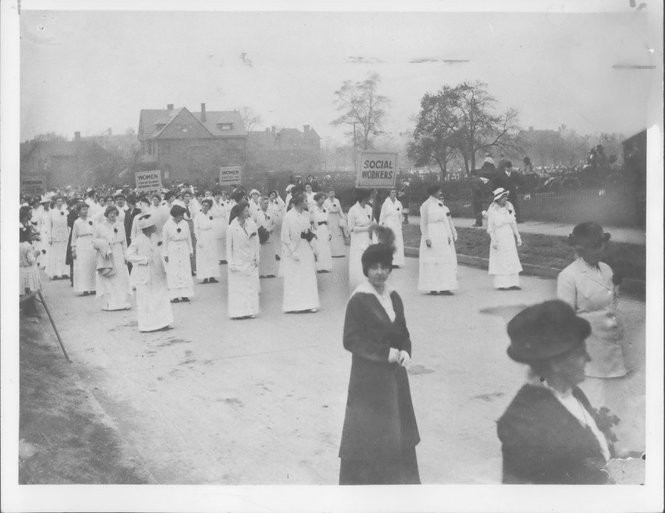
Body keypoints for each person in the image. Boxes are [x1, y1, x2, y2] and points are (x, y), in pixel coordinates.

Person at [497, 300, 615, 484]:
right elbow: (518, 492)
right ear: (556, 363)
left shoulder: (574, 393)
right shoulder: (521, 423)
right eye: (580, 353)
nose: (588, 359)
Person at [339, 244, 420, 485]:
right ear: (366, 270)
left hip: (395, 380)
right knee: (372, 434)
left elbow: (403, 332)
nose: (379, 272)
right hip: (369, 381)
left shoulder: (394, 297)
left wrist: (405, 351)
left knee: (398, 432)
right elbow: (351, 340)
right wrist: (385, 353)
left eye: (384, 267)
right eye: (374, 267)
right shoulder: (359, 299)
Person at [557, 222, 631, 411]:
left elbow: (613, 301)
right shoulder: (569, 276)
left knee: (616, 398)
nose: (600, 250)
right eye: (594, 246)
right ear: (581, 249)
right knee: (593, 399)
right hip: (588, 347)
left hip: (611, 343)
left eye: (601, 245)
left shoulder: (606, 269)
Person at [126, 214, 174, 332]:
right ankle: (148, 325)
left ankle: (163, 322)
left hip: (158, 272)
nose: (155, 227)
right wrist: (143, 260)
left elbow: (160, 251)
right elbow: (128, 255)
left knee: (160, 296)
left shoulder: (154, 238)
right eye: (153, 226)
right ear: (147, 228)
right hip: (145, 273)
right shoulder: (138, 240)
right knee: (147, 299)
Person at [280, 192, 319, 313]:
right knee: (294, 276)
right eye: (306, 201)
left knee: (308, 274)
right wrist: (292, 252)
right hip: (294, 249)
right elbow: (285, 237)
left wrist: (314, 245)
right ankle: (293, 306)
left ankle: (310, 303)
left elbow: (308, 231)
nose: (307, 203)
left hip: (305, 247)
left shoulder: (306, 215)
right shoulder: (288, 216)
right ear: (300, 202)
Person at [418, 184, 458, 294]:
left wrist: (448, 235)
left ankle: (445, 287)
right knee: (432, 261)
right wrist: (426, 237)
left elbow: (445, 220)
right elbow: (423, 223)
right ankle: (433, 287)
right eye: (438, 191)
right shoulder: (425, 205)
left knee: (444, 260)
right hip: (431, 233)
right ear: (433, 192)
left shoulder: (440, 204)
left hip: (442, 234)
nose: (440, 193)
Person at [92, 206, 132, 311]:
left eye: (114, 213)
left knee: (120, 276)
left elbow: (124, 242)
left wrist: (126, 255)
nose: (113, 215)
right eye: (110, 213)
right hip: (106, 254)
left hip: (118, 252)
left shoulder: (120, 225)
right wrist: (103, 245)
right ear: (106, 214)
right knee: (108, 276)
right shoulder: (100, 226)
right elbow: (94, 241)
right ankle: (109, 302)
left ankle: (121, 301)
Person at [226, 201, 260, 319]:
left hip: (249, 260)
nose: (248, 212)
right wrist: (230, 262)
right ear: (240, 212)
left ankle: (250, 311)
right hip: (237, 262)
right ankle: (238, 313)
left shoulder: (251, 225)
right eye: (246, 210)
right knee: (238, 288)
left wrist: (257, 257)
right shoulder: (231, 227)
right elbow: (229, 247)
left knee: (249, 286)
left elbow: (256, 242)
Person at [487, 187, 523, 290]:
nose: (505, 199)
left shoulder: (509, 206)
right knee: (501, 259)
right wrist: (493, 240)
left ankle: (513, 283)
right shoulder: (493, 209)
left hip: (509, 235)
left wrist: (518, 236)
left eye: (506, 197)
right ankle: (502, 284)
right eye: (503, 197)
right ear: (498, 198)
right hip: (499, 236)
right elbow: (490, 227)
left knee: (511, 257)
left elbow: (513, 222)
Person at [162, 204, 194, 303]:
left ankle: (185, 294)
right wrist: (165, 253)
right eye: (180, 215)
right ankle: (174, 295)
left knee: (184, 270)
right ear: (175, 215)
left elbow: (189, 238)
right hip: (173, 248)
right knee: (174, 271)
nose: (181, 217)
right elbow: (165, 240)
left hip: (184, 248)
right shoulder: (167, 225)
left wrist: (191, 250)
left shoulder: (185, 223)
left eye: (182, 215)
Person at [346, 188, 374, 291]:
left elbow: (373, 221)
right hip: (358, 240)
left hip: (368, 239)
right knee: (358, 261)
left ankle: (368, 285)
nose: (370, 198)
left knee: (368, 261)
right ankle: (358, 286)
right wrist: (366, 228)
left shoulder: (369, 208)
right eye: (369, 196)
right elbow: (351, 228)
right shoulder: (353, 210)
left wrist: (374, 225)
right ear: (364, 197)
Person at [70, 203, 96, 296]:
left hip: (91, 243)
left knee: (92, 265)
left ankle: (93, 287)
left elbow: (96, 232)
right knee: (83, 266)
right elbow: (74, 236)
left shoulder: (91, 220)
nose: (85, 211)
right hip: (81, 244)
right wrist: (73, 248)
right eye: (83, 209)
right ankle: (84, 288)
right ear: (79, 211)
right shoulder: (77, 222)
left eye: (86, 209)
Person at [193, 199, 220, 284]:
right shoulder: (197, 216)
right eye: (203, 205)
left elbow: (214, 225)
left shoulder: (211, 215)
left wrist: (213, 235)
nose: (204, 207)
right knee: (203, 257)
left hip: (210, 236)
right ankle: (204, 277)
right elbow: (196, 229)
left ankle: (212, 276)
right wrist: (198, 239)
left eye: (206, 206)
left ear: (209, 207)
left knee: (212, 256)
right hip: (202, 235)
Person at [19, 224, 42, 317]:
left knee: (24, 291)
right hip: (28, 271)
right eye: (30, 234)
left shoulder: (17, 244)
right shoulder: (27, 246)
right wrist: (36, 254)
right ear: (27, 235)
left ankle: (26, 309)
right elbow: (31, 260)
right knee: (30, 290)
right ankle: (31, 310)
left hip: (20, 271)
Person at [379, 188, 405, 267]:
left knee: (397, 243)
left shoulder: (399, 203)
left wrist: (400, 225)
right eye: (392, 192)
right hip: (388, 224)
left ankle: (396, 262)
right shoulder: (386, 203)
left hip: (397, 225)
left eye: (395, 192)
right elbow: (382, 215)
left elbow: (400, 215)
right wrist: (381, 226)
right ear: (389, 194)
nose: (394, 193)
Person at [45, 196, 70, 280]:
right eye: (58, 201)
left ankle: (64, 272)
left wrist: (69, 234)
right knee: (56, 254)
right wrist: (49, 237)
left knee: (64, 254)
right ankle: (55, 273)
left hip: (64, 235)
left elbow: (68, 225)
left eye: (61, 201)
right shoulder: (52, 212)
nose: (60, 203)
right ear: (55, 202)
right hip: (55, 236)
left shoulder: (66, 211)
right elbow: (49, 226)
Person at [310, 192, 333, 273]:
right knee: (318, 248)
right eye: (321, 198)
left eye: (324, 198)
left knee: (326, 248)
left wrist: (330, 233)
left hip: (325, 229)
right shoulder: (313, 209)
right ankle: (319, 267)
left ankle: (326, 266)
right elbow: (311, 222)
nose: (323, 200)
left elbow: (329, 221)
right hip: (317, 230)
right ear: (317, 199)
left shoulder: (325, 209)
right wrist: (313, 233)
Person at [256, 196, 278, 278]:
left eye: (267, 203)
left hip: (269, 235)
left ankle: (270, 272)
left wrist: (270, 229)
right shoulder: (257, 214)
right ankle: (262, 273)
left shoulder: (271, 213)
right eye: (265, 203)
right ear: (260, 203)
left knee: (270, 254)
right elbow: (254, 224)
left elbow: (275, 223)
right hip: (261, 236)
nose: (266, 205)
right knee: (262, 254)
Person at [323, 190, 346, 257]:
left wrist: (343, 218)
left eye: (333, 192)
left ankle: (339, 252)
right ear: (328, 194)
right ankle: (332, 253)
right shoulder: (326, 201)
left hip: (336, 217)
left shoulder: (337, 200)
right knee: (331, 233)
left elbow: (340, 209)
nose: (332, 194)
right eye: (330, 193)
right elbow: (326, 211)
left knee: (338, 233)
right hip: (330, 218)